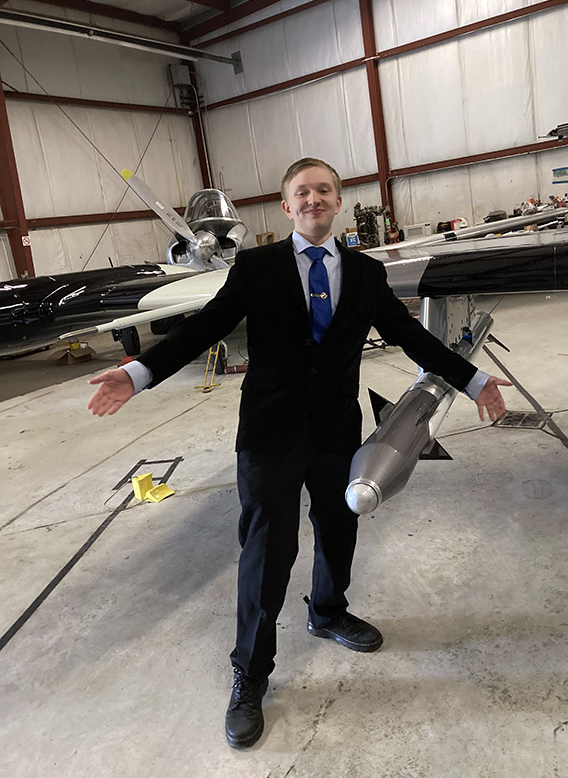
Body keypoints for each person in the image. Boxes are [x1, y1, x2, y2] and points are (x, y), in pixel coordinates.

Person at [88, 157, 510, 749]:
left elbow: (410, 336)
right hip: (270, 434)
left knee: (340, 527)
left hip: (336, 430)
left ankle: (328, 611)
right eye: (301, 193)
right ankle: (250, 674)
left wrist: (471, 380)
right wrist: (136, 373)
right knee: (268, 549)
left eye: (324, 191)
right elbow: (205, 327)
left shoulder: (365, 273)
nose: (313, 200)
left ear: (338, 202)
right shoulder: (257, 268)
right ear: (286, 207)